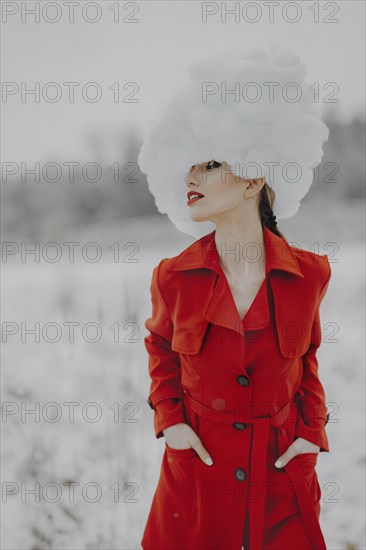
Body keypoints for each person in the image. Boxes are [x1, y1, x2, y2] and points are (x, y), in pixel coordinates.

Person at [138, 45, 332, 550]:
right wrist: (171, 422)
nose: (191, 178)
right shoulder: (172, 277)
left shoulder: (309, 274)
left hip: (281, 472)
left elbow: (308, 360)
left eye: (210, 165)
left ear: (254, 176)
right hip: (198, 472)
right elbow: (159, 350)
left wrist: (312, 434)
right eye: (189, 166)